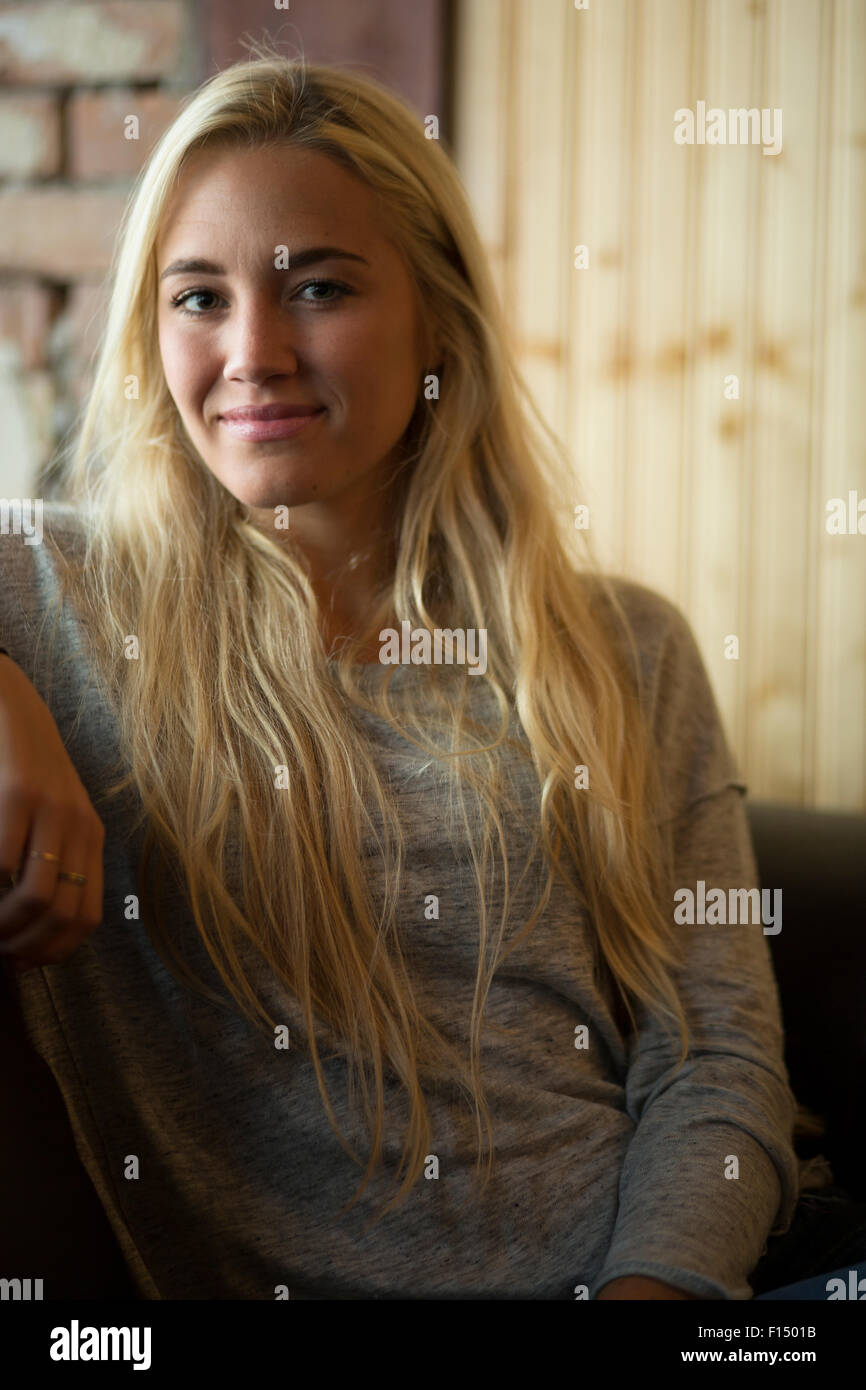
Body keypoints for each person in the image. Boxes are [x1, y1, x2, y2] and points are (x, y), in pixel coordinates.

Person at [0, 46, 847, 1301]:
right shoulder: (51, 593)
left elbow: (712, 1055)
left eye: (318, 287)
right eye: (199, 297)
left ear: (436, 315)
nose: (252, 351)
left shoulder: (626, 647)